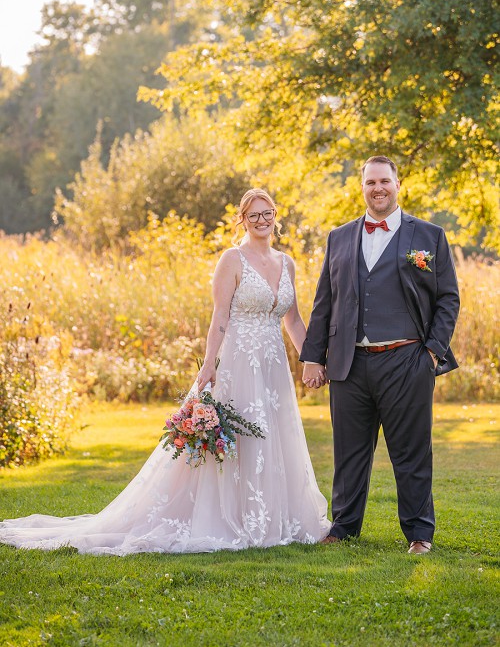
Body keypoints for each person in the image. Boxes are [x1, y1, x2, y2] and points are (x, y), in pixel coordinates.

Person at [0, 189, 330, 555]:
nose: (261, 221)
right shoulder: (232, 260)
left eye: (266, 213)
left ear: (275, 215)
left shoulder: (287, 263)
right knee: (238, 438)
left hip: (273, 370)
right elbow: (219, 319)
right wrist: (208, 365)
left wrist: (312, 359)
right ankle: (232, 517)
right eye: (253, 216)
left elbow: (294, 319)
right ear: (242, 219)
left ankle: (271, 517)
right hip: (236, 365)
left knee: (273, 438)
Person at [301, 156, 460, 554]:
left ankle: (419, 534)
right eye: (370, 182)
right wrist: (312, 357)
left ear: (397, 184)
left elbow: (448, 299)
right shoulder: (339, 237)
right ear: (362, 188)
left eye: (384, 181)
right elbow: (325, 302)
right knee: (349, 453)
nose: (378, 188)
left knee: (411, 452)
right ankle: (344, 527)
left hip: (407, 361)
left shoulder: (429, 236)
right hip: (348, 363)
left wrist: (431, 353)